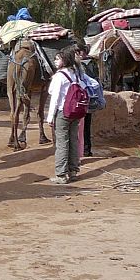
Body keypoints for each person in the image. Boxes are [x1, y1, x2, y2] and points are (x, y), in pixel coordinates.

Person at [45, 47, 83, 184]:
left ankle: (61, 174)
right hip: (75, 112)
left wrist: (50, 117)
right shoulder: (76, 74)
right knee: (73, 140)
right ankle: (73, 170)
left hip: (62, 112)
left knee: (62, 143)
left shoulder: (59, 76)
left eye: (57, 59)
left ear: (64, 60)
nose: (55, 61)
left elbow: (54, 96)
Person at [75, 42, 99, 157]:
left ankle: (81, 151)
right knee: (86, 126)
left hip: (80, 100)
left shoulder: (79, 66)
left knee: (79, 127)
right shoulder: (92, 63)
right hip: (89, 99)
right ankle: (86, 150)